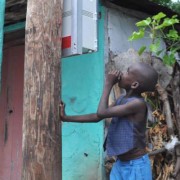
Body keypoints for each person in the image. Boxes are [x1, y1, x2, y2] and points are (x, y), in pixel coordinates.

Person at [60, 62, 158, 180]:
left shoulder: (138, 104)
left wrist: (108, 84)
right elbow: (98, 116)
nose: (121, 73)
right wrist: (66, 118)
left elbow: (102, 112)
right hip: (121, 164)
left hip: (136, 167)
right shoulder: (122, 99)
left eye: (127, 71)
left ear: (134, 84)